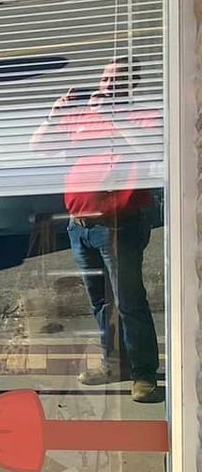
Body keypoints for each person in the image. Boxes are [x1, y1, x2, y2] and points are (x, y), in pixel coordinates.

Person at [29, 60, 162, 403]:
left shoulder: (142, 116)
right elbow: (39, 146)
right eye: (105, 76)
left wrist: (113, 118)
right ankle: (115, 363)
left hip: (120, 226)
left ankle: (144, 373)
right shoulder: (83, 115)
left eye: (117, 78)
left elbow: (152, 149)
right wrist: (53, 114)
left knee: (129, 300)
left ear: (132, 84)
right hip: (80, 227)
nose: (107, 83)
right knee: (101, 301)